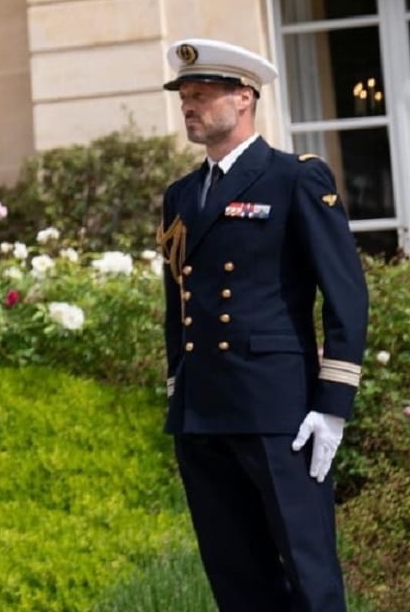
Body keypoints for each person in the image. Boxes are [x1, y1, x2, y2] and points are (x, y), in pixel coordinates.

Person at [158, 38, 369, 612]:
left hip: (279, 412)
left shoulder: (293, 177)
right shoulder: (180, 195)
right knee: (237, 579)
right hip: (203, 412)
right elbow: (176, 304)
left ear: (244, 97)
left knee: (309, 575)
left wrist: (332, 405)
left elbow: (345, 294)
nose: (189, 106)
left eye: (202, 95)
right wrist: (179, 388)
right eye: (185, 97)